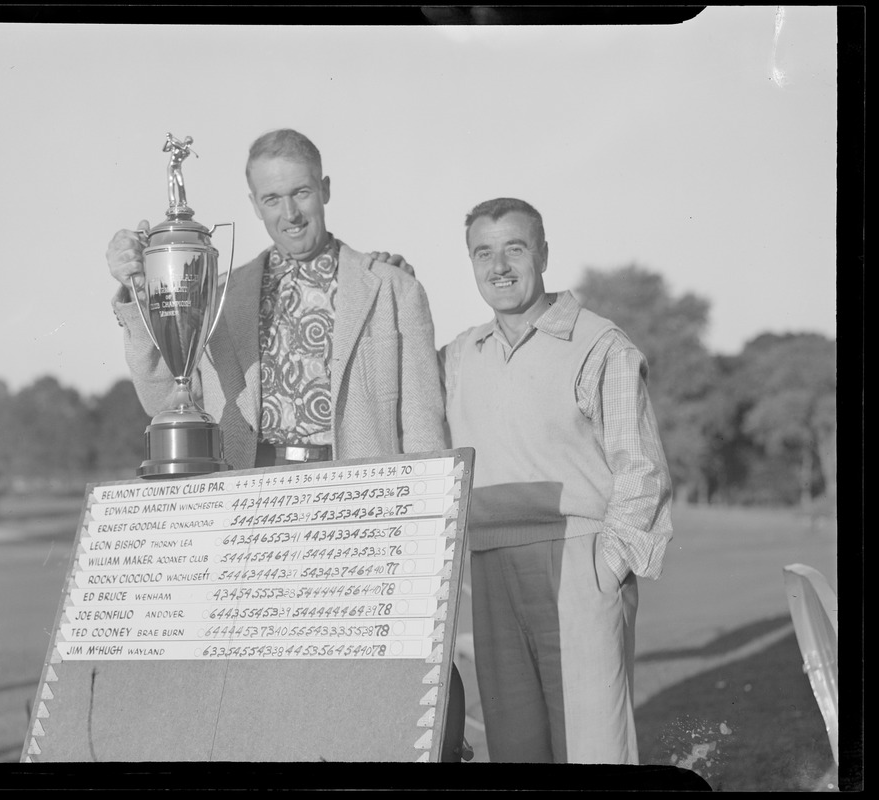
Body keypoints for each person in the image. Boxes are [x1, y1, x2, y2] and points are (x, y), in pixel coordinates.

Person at [106, 128, 469, 761]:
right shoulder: (219, 294)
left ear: (325, 190)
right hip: (256, 509)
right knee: (271, 692)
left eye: (301, 192)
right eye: (272, 198)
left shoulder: (391, 288)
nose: (290, 212)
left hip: (361, 506)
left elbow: (425, 430)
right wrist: (141, 296)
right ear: (253, 204)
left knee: (382, 686)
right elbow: (171, 397)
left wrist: (427, 543)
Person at [439, 197, 673, 764]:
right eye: (483, 253)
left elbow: (640, 468)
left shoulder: (600, 344)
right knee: (517, 752)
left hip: (579, 559)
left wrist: (607, 567)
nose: (499, 266)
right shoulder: (458, 356)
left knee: (594, 749)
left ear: (543, 253)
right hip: (491, 564)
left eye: (514, 248)